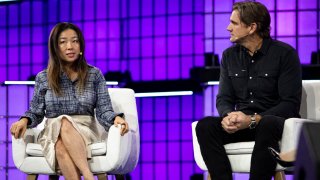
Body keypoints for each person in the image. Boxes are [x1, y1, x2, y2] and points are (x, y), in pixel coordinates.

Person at [196, 1, 302, 180]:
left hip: (272, 123)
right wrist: (229, 116)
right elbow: (224, 98)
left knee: (267, 124)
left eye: (234, 23)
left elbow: (290, 104)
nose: (229, 28)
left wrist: (254, 119)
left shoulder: (285, 54)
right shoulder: (229, 56)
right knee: (205, 126)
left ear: (252, 27)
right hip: (242, 122)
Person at [10, 22, 129, 180]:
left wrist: (115, 118)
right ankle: (88, 175)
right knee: (61, 131)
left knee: (62, 136)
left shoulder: (94, 75)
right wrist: (24, 120)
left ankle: (86, 176)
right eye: (63, 42)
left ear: (81, 45)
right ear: (55, 47)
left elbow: (103, 110)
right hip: (52, 131)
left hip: (86, 130)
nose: (70, 46)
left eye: (75, 41)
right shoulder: (43, 78)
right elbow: (36, 111)